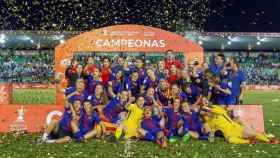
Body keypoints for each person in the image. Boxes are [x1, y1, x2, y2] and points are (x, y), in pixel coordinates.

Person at [201, 97, 278, 144]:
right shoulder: (206, 120)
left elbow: (220, 112)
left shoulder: (215, 107)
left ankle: (268, 140)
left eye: (206, 101)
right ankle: (248, 141)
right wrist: (210, 134)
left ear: (208, 102)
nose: (205, 102)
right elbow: (211, 131)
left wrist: (208, 108)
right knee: (230, 140)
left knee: (253, 134)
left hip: (234, 126)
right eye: (203, 102)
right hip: (227, 133)